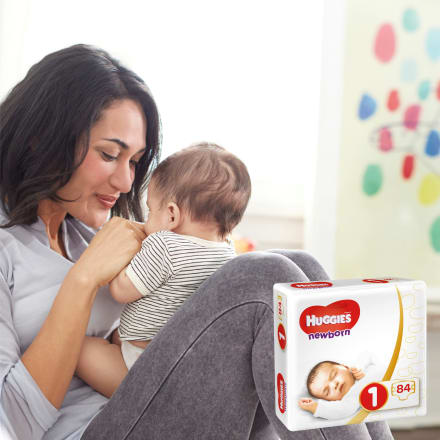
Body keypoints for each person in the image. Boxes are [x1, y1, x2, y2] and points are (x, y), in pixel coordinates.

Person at [0, 44, 394, 440]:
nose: (126, 183)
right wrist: (82, 281)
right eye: (108, 154)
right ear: (41, 139)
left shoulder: (88, 231)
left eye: (134, 161)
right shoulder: (8, 248)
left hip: (141, 402)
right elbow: (14, 421)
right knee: (264, 276)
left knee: (300, 271)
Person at [75, 143, 251, 397]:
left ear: (171, 215)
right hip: (186, 363)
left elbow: (122, 291)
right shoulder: (227, 252)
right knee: (115, 336)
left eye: (150, 211)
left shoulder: (164, 245)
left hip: (144, 363)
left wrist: (122, 254)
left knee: (80, 349)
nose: (146, 221)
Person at [298, 353, 380, 420]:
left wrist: (359, 366)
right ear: (330, 401)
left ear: (345, 367)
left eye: (334, 375)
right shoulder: (352, 397)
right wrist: (315, 407)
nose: (334, 385)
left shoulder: (359, 368)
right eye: (327, 391)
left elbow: (368, 354)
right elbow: (341, 410)